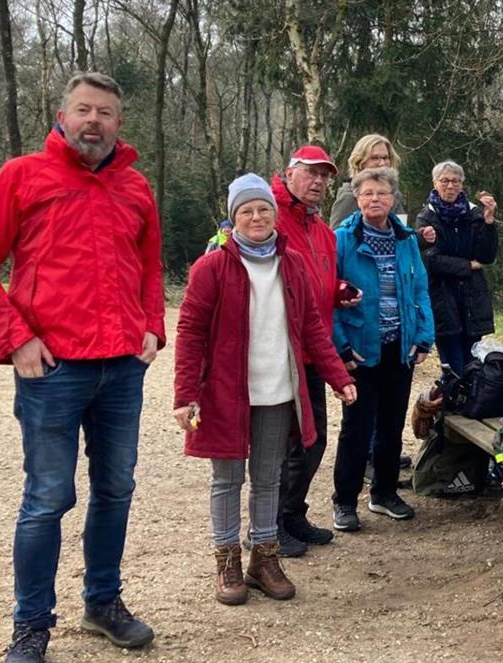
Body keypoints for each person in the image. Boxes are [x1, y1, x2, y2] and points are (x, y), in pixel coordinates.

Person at [0, 72, 164, 663]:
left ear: (119, 123)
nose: (93, 120)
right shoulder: (23, 175)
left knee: (116, 488)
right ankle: (30, 624)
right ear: (63, 115)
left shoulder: (134, 186)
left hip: (123, 366)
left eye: (105, 112)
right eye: (83, 110)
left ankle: (102, 603)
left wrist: (151, 325)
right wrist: (15, 338)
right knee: (48, 498)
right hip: (52, 369)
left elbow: (149, 264)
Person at [174, 174, 357, 605]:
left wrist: (339, 377)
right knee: (227, 479)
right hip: (225, 394)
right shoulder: (212, 267)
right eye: (246, 211)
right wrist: (186, 394)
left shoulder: (290, 263)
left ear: (273, 216)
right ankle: (227, 561)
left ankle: (264, 556)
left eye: (262, 210)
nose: (256, 217)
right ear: (234, 218)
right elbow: (190, 332)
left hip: (277, 391)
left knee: (268, 478)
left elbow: (312, 326)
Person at [269, 145, 361, 557]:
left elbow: (322, 281)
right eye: (311, 173)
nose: (319, 182)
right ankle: (270, 525)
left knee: (313, 440)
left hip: (314, 350)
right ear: (290, 173)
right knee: (286, 443)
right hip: (278, 350)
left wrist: (339, 292)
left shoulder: (322, 230)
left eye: (325, 176)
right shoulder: (268, 216)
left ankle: (292, 514)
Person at [331, 166, 434, 532]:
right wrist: (340, 346)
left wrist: (424, 336)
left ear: (393, 199)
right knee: (356, 427)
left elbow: (420, 288)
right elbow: (327, 297)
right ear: (357, 198)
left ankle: (385, 493)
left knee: (391, 424)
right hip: (360, 348)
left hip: (399, 347)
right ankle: (344, 501)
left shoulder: (405, 239)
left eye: (382, 193)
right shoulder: (342, 239)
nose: (375, 199)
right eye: (368, 193)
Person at [414, 160, 498, 375]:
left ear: (462, 184)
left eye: (455, 181)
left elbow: (486, 256)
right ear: (435, 183)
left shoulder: (475, 214)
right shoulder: (427, 217)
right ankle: (451, 405)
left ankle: (473, 406)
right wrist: (467, 265)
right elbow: (430, 261)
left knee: (473, 363)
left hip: (472, 298)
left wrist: (489, 224)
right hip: (442, 297)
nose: (450, 186)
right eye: (445, 181)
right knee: (452, 365)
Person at [329, 134, 408, 229]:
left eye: (385, 158)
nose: (382, 163)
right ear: (359, 163)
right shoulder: (349, 198)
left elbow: (401, 233)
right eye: (375, 158)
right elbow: (334, 240)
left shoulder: (394, 195)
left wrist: (422, 238)